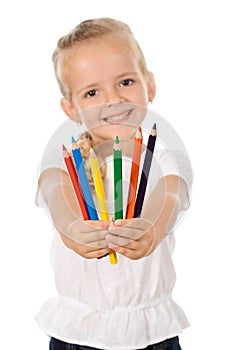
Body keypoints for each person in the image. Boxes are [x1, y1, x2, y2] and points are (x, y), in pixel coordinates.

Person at [35, 18, 193, 350]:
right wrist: (70, 228)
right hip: (77, 336)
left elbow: (172, 193)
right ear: (71, 109)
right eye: (92, 92)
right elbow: (53, 190)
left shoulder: (166, 157)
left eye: (125, 81)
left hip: (154, 335)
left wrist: (153, 228)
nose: (113, 99)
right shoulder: (65, 159)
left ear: (149, 85)